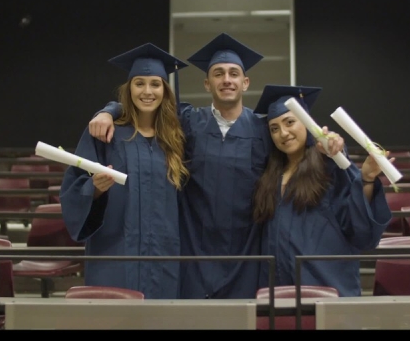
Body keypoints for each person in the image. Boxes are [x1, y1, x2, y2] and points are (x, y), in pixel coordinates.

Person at [88, 33, 346, 299]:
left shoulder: (264, 129)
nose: (226, 80)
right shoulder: (187, 122)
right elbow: (149, 102)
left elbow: (298, 143)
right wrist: (110, 110)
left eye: (234, 74)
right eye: (218, 73)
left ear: (245, 83)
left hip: (247, 255)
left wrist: (330, 142)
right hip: (194, 253)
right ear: (206, 83)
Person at [59, 43, 190, 299]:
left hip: (164, 256)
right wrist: (94, 189)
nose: (147, 91)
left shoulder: (177, 137)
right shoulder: (106, 134)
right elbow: (74, 186)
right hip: (115, 254)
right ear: (128, 89)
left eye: (155, 83)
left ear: (165, 90)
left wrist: (110, 109)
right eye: (139, 83)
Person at [252, 84, 393, 297]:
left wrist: (366, 178)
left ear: (308, 123)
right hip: (278, 290)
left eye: (290, 122)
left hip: (325, 287)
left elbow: (359, 226)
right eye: (274, 128)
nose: (283, 133)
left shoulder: (329, 166)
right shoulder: (269, 176)